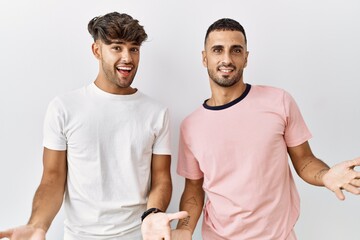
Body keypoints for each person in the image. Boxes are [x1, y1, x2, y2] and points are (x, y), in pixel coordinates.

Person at [0, 12, 186, 240]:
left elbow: (161, 178)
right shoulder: (64, 108)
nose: (127, 57)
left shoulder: (157, 112)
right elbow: (52, 178)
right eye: (117, 48)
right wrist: (37, 224)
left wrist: (153, 214)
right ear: (97, 50)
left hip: (137, 235)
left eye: (134, 49)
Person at [172, 18, 360, 239]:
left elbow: (305, 160)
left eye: (236, 50)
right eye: (217, 50)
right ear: (205, 58)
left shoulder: (278, 101)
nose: (226, 59)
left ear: (246, 58)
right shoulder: (191, 126)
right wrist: (184, 229)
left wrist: (326, 175)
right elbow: (194, 188)